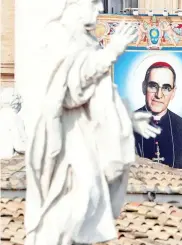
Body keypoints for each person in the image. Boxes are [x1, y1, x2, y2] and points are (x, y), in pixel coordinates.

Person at [23, 0, 160, 244]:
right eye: (94, 3)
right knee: (78, 199)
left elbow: (100, 92)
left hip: (83, 132)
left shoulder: (86, 40)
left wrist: (127, 119)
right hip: (65, 136)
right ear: (72, 5)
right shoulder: (58, 35)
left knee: (90, 198)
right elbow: (70, 90)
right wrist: (111, 52)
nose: (100, 9)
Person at [134, 61, 182, 169]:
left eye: (166, 88)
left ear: (173, 93)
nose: (159, 95)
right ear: (144, 87)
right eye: (153, 86)